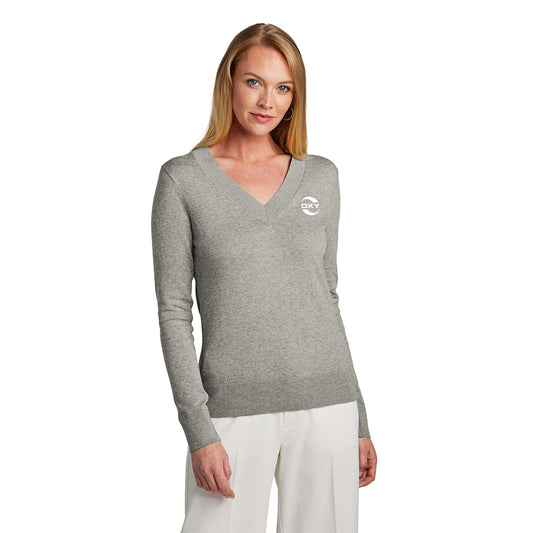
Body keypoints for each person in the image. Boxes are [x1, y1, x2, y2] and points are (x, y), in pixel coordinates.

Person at [151, 22, 377, 533]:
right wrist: (198, 428)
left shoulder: (321, 176)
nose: (266, 101)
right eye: (254, 82)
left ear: (295, 96)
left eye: (283, 87)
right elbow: (173, 311)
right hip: (229, 410)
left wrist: (359, 419)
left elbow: (326, 297)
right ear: (228, 81)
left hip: (328, 405)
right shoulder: (182, 179)